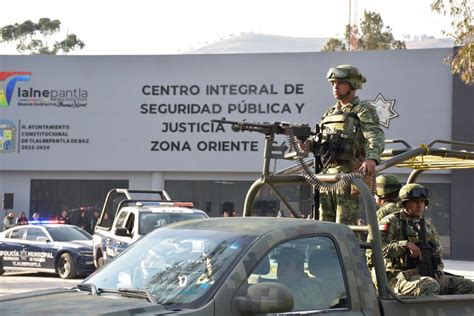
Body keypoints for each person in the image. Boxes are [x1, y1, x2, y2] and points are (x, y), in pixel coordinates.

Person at [315, 64, 385, 225]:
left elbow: (374, 134)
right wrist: (306, 144)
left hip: (349, 177)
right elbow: (321, 143)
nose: (335, 87)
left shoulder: (362, 109)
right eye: (333, 84)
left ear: (353, 84)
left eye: (340, 83)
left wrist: (372, 158)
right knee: (323, 226)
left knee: (344, 227)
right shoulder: (330, 113)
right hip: (327, 177)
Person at [380, 183, 474, 296]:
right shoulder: (391, 222)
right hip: (398, 277)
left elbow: (437, 254)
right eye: (415, 202)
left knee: (468, 286)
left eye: (422, 202)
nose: (420, 205)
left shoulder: (427, 226)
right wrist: (405, 245)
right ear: (405, 203)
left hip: (426, 274)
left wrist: (438, 271)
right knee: (430, 286)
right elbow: (378, 251)